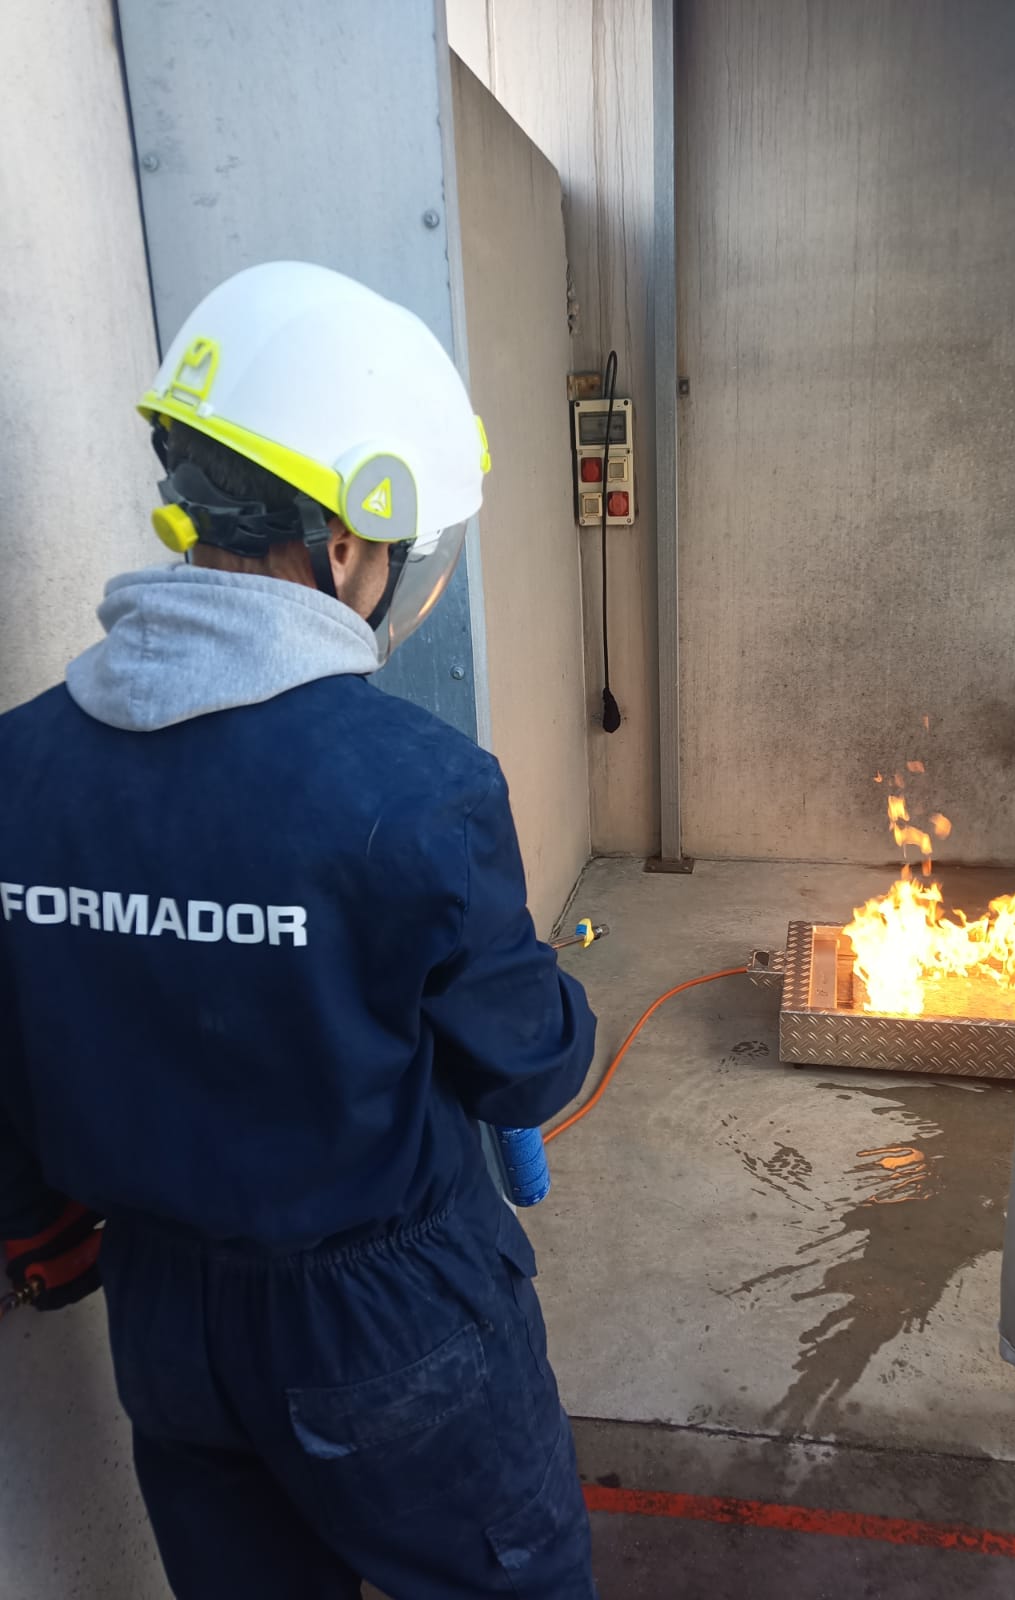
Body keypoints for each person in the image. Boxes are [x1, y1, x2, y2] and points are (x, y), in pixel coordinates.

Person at [0, 261, 599, 1599]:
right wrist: (549, 998)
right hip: (386, 1325)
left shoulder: (17, 766)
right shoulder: (415, 787)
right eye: (399, 548)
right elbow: (529, 1068)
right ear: (342, 543)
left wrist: (35, 1223)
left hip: (165, 1325)